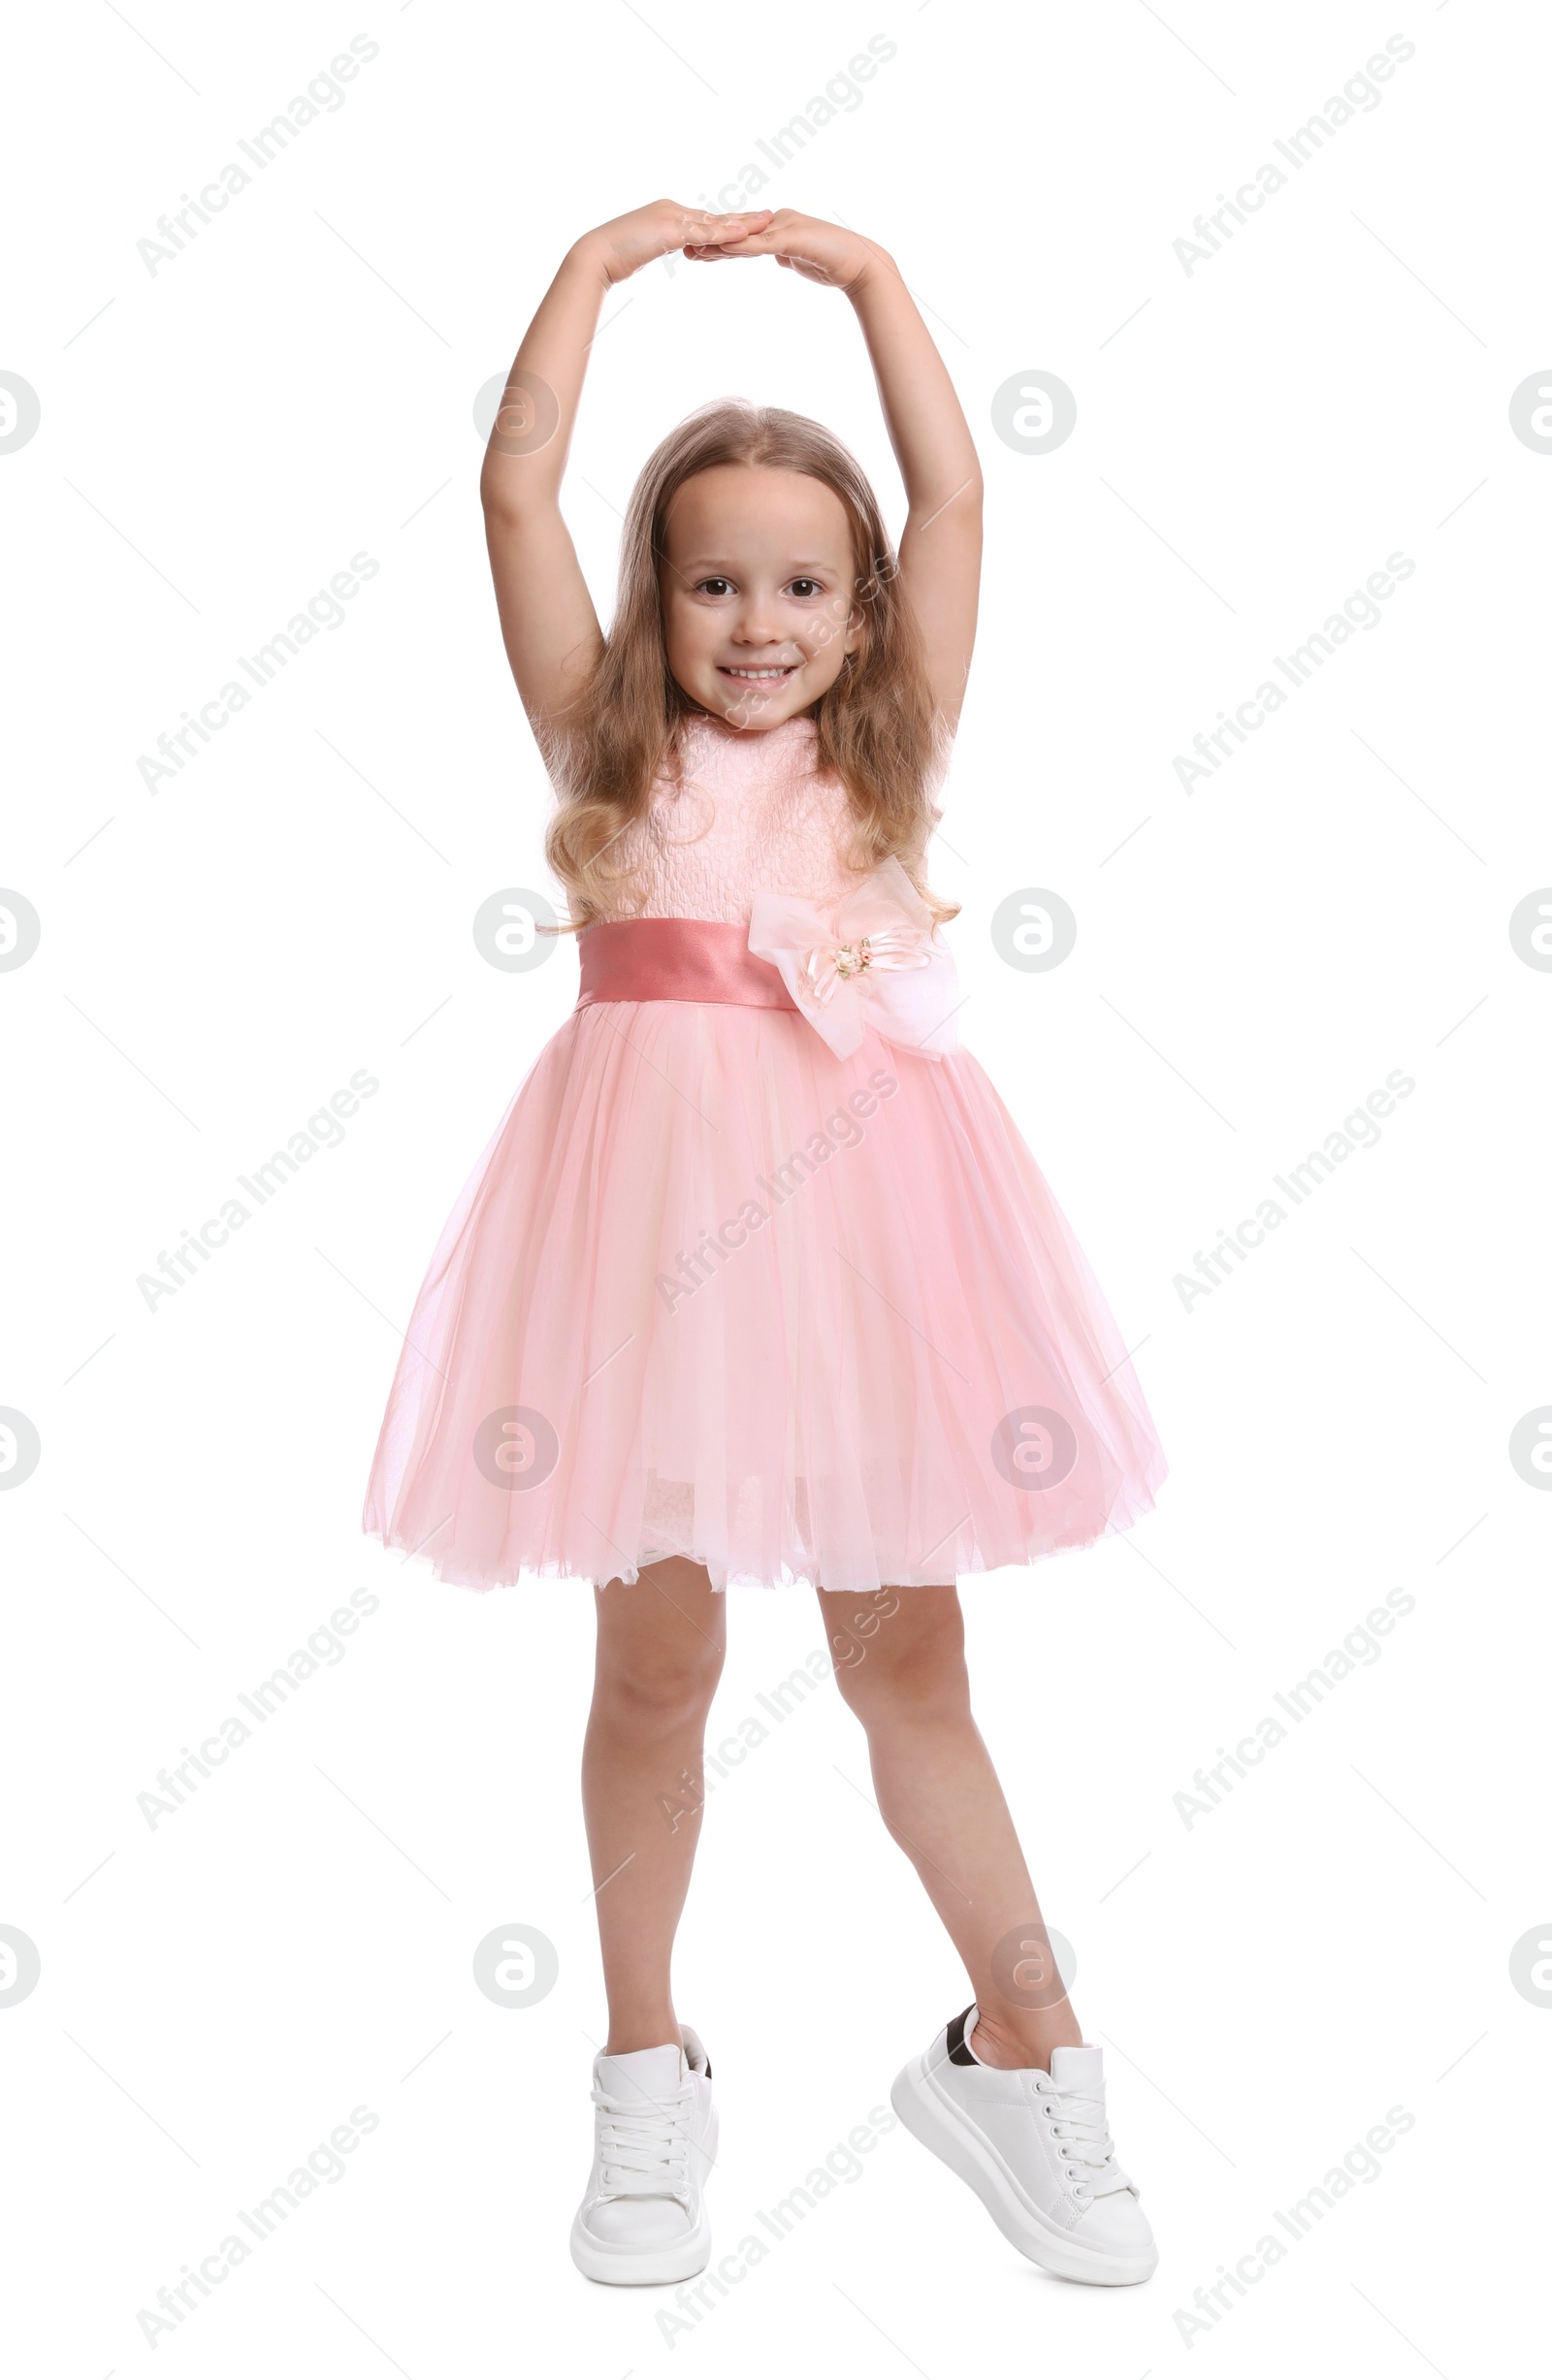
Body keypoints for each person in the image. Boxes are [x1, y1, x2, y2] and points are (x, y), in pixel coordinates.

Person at [362, 200, 1168, 2291]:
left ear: (858, 602)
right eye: (712, 578)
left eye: (801, 583)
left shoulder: (876, 740)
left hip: (867, 1224)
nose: (755, 619)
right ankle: (647, 2079)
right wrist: (599, 267)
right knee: (655, 1655)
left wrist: (876, 279)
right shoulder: (601, 740)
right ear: (655, 592)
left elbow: (960, 484)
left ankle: (1022, 2045)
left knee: (908, 1651)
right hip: (639, 1236)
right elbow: (512, 473)